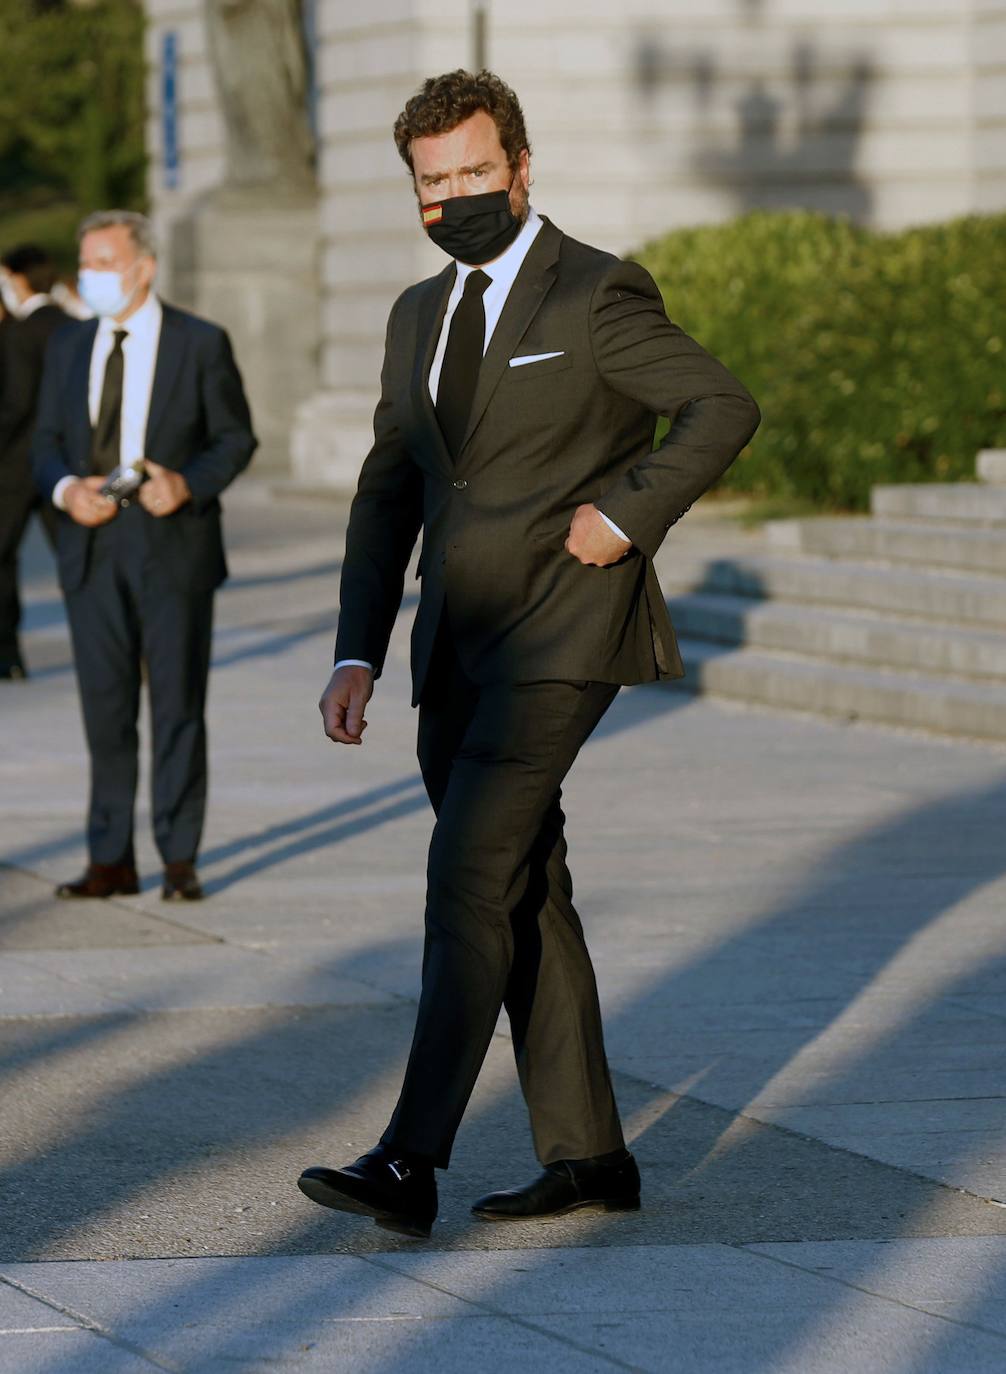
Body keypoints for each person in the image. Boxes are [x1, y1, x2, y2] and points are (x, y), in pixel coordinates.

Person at [297, 71, 760, 1239]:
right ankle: (590, 1153)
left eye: (473, 174)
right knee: (522, 889)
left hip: (562, 634)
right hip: (453, 645)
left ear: (520, 167)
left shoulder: (596, 292)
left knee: (466, 879)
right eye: (432, 182)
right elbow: (388, 490)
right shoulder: (415, 313)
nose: (455, 198)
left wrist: (629, 512)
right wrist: (357, 649)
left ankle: (410, 1159)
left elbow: (718, 405)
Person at [32, 210, 256, 901]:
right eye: (86, 263)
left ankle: (179, 857)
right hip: (92, 545)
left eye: (104, 261)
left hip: (172, 545)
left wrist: (186, 484)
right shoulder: (68, 347)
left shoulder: (199, 342)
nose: (89, 276)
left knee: (178, 705)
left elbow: (235, 437)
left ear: (143, 267)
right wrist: (69, 491)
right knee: (105, 707)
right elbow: (41, 444)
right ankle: (109, 857)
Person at [0, 244, 66, 679]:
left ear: (20, 280)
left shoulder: (18, 333)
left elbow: (14, 404)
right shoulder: (77, 326)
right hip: (65, 467)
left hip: (13, 467)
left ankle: (7, 656)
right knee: (78, 562)